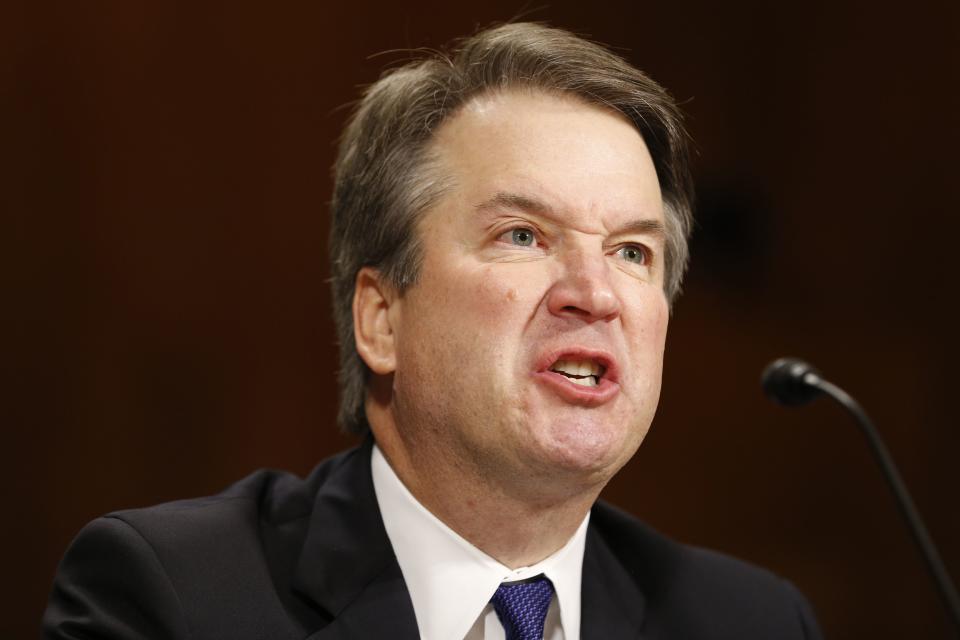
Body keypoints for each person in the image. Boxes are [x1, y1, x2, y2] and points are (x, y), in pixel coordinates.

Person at [44, 22, 823, 639]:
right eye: (522, 235)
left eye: (631, 251)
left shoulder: (749, 621)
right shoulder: (176, 600)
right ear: (382, 319)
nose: (595, 294)